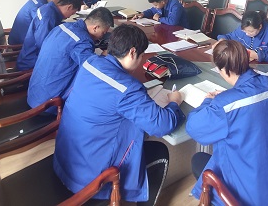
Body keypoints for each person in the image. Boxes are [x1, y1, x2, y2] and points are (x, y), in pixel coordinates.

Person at [53, 24, 185, 205]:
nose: (140, 60)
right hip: (89, 180)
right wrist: (174, 102)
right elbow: (163, 125)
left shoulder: (91, 63)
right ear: (132, 52)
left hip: (66, 160)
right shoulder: (127, 88)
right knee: (159, 151)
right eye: (141, 56)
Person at [186, 40, 268, 206]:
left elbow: (194, 128)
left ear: (222, 70)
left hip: (254, 197)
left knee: (199, 160)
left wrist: (208, 101)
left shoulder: (224, 104)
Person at [27, 7, 114, 110]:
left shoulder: (63, 27)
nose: (102, 37)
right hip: (49, 105)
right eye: (103, 33)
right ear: (95, 28)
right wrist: (104, 56)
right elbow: (93, 70)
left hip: (34, 93)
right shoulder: (82, 41)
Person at [16, 0, 82, 71]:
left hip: (30, 54)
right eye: (72, 13)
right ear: (69, 7)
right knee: (69, 64)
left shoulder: (49, 9)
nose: (70, 16)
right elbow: (42, 44)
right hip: (32, 60)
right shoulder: (48, 16)